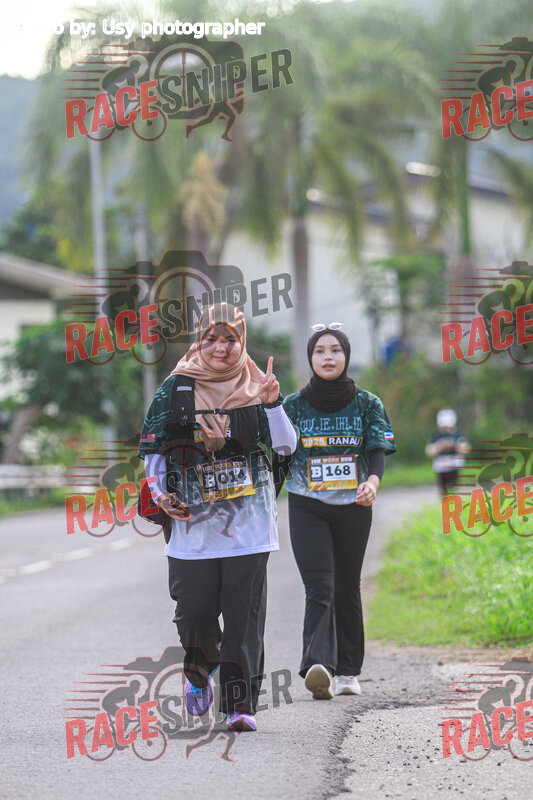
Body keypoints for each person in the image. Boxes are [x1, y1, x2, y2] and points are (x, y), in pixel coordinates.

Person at [138, 302, 297, 732]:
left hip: (250, 526)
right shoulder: (176, 389)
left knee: (244, 618)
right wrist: (160, 494)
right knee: (194, 613)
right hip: (192, 527)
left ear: (242, 340)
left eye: (231, 339)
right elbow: (153, 449)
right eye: (212, 338)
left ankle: (239, 706)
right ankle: (197, 673)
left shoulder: (257, 385)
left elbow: (285, 447)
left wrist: (272, 403)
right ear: (199, 340)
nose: (222, 348)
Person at [282, 323, 396, 700]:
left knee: (347, 586)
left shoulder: (368, 403)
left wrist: (372, 483)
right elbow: (279, 453)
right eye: (319, 351)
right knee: (319, 587)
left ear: (346, 356)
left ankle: (348, 671)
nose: (327, 357)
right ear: (310, 358)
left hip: (354, 506)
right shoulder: (292, 406)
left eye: (335, 350)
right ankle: (318, 666)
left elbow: (376, 451)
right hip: (307, 506)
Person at [425, 409, 469, 495]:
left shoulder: (457, 434)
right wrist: (439, 446)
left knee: (453, 487)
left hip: (454, 464)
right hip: (441, 465)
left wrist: (455, 446)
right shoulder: (436, 435)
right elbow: (429, 451)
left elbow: (466, 448)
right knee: (443, 489)